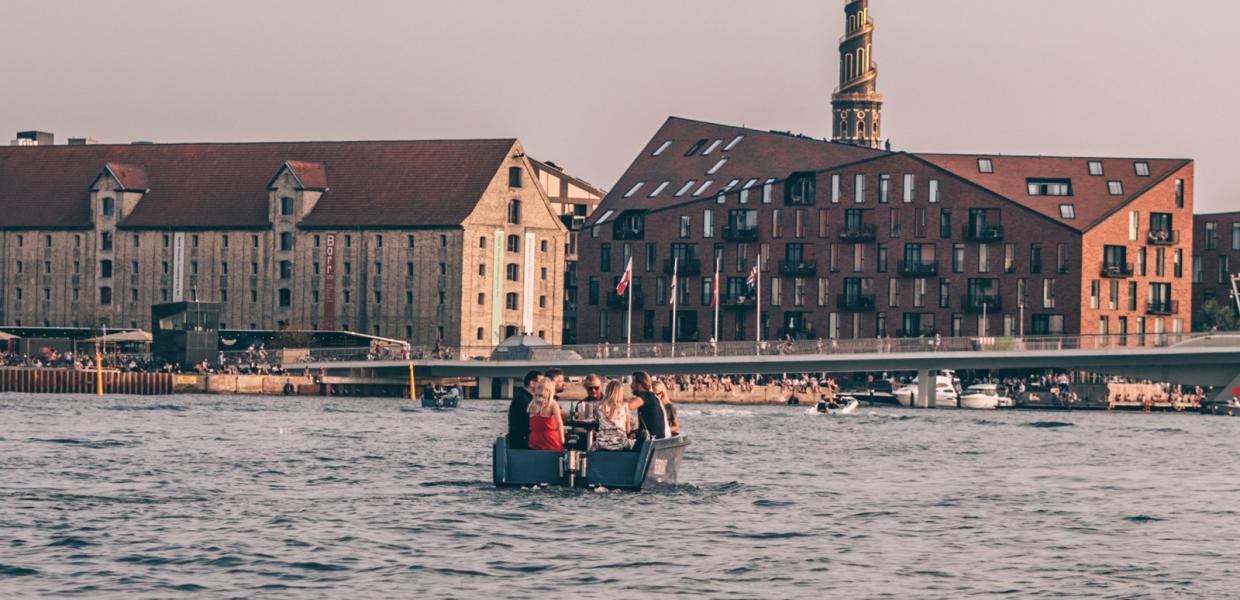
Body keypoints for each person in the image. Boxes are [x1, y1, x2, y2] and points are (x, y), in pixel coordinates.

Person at [592, 380, 633, 451]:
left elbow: (595, 422)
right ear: (620, 393)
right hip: (620, 444)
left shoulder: (599, 406)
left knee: (590, 448)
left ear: (607, 391)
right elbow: (628, 430)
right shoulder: (625, 407)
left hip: (602, 444)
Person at [507, 370, 542, 450]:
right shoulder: (523, 399)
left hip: (523, 439)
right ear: (532, 383)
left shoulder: (525, 397)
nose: (543, 386)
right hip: (522, 442)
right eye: (541, 383)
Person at [527, 378, 565, 451]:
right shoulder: (552, 404)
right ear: (551, 392)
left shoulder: (532, 404)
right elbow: (559, 423)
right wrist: (562, 440)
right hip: (549, 440)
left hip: (534, 439)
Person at [628, 371, 668, 440]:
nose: (631, 385)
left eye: (633, 382)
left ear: (639, 384)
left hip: (649, 441)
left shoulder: (644, 395)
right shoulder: (652, 396)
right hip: (658, 439)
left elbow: (627, 407)